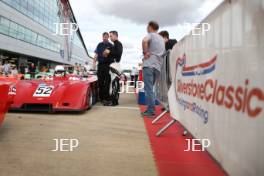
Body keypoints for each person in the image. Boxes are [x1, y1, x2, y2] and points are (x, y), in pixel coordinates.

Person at [141, 21, 165, 117]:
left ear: (150, 27)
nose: (147, 28)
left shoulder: (151, 35)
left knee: (148, 88)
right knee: (151, 89)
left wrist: (145, 52)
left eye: (147, 26)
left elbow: (144, 40)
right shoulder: (161, 39)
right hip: (158, 66)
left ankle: (150, 111)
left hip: (149, 64)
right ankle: (151, 109)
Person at [103, 31, 123, 106]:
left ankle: (114, 101)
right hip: (113, 65)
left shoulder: (118, 44)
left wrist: (109, 51)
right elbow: (105, 54)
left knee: (115, 83)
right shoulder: (114, 45)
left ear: (115, 36)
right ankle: (113, 100)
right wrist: (108, 52)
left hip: (115, 65)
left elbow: (118, 53)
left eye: (111, 36)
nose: (110, 38)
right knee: (113, 83)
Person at [94, 32, 113, 103]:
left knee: (107, 82)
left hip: (108, 65)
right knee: (100, 82)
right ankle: (101, 97)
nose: (105, 38)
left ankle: (106, 97)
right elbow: (96, 54)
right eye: (103, 36)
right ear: (102, 37)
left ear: (108, 37)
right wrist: (94, 63)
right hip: (100, 65)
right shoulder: (99, 45)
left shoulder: (111, 45)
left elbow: (112, 56)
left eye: (106, 36)